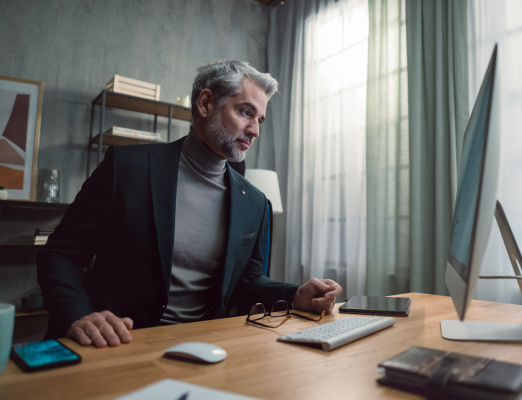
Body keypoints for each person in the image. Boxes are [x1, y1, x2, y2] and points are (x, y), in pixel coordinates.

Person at [37, 60, 342, 348]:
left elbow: (248, 282)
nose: (255, 130)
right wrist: (79, 313)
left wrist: (296, 295)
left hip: (209, 348)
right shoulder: (125, 168)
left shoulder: (256, 202)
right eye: (246, 113)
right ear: (206, 103)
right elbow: (60, 254)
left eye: (259, 119)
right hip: (123, 344)